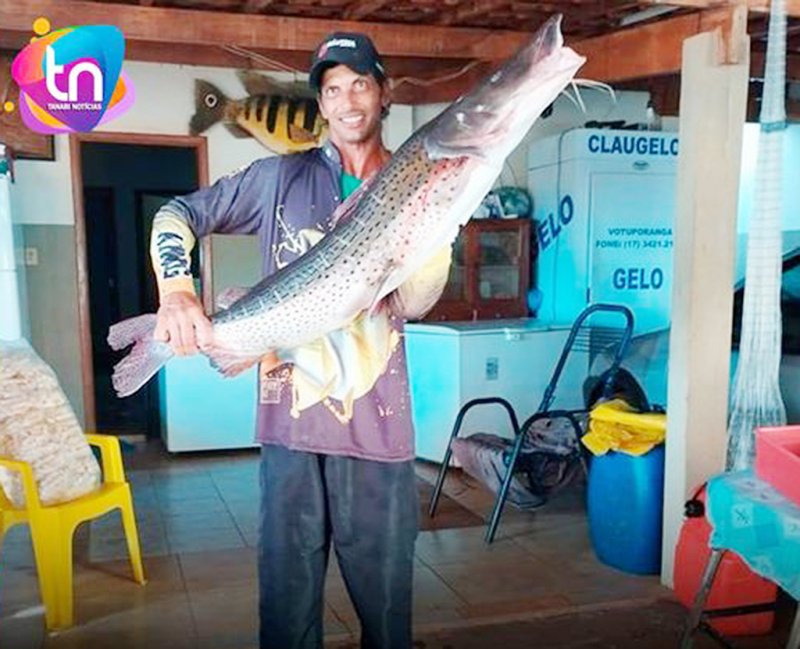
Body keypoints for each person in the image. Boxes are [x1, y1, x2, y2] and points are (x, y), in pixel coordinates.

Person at [149, 32, 451, 649]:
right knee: (287, 607)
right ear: (321, 102)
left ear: (383, 91)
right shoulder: (276, 179)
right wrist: (178, 289)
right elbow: (176, 212)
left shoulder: (416, 180)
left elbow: (415, 304)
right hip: (290, 429)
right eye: (333, 88)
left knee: (388, 610)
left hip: (377, 431)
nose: (347, 101)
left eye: (360, 84)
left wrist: (439, 236)